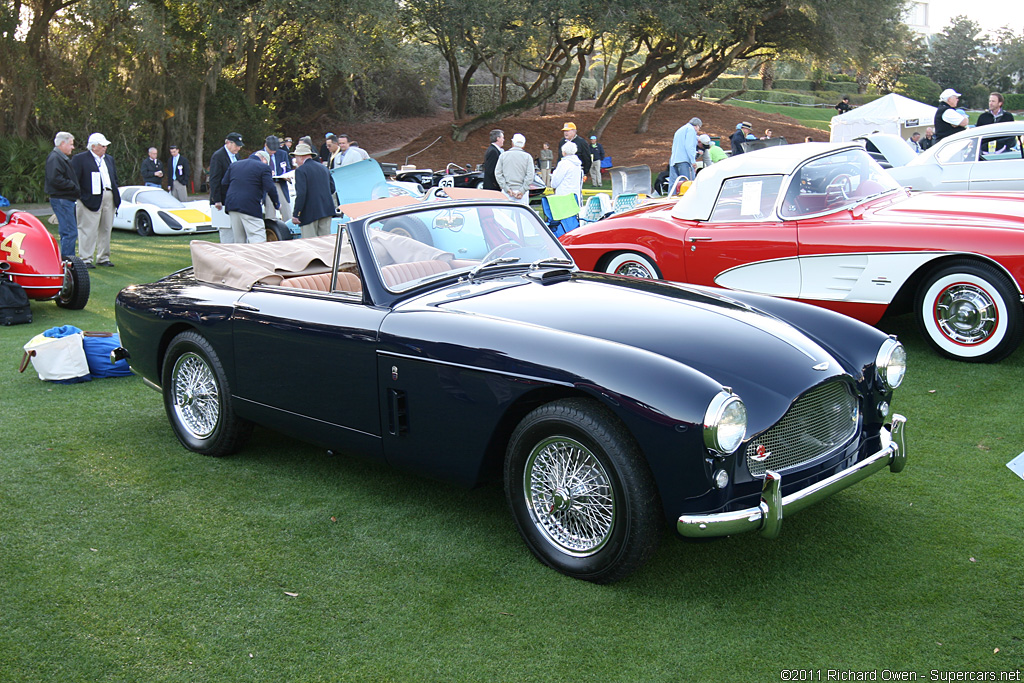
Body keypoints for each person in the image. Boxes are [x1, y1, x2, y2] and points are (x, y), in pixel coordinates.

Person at [71, 132, 120, 267]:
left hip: (108, 196)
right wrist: (82, 196)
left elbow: (114, 177)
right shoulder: (80, 159)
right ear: (93, 146)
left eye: (105, 146)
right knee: (88, 229)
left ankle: (103, 257)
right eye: (102, 145)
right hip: (89, 198)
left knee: (106, 228)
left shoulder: (109, 159)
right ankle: (86, 259)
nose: (105, 148)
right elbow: (74, 180)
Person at [222, 149, 279, 244]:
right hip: (250, 205)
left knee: (239, 239)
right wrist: (276, 203)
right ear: (264, 159)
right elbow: (270, 188)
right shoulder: (264, 167)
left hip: (232, 205)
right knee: (257, 236)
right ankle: (258, 258)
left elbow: (224, 183)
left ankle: (240, 258)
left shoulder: (235, 165)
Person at [44, 131, 80, 259]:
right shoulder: (55, 158)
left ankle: (67, 260)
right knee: (69, 232)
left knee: (68, 231)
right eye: (71, 144)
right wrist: (73, 186)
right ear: (62, 143)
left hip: (65, 199)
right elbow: (55, 179)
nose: (73, 147)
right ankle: (67, 261)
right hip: (62, 199)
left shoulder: (60, 158)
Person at [290, 142, 337, 239]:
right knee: (325, 241)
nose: (296, 161)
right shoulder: (323, 168)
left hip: (309, 212)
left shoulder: (301, 170)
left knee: (311, 243)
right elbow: (332, 188)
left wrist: (296, 214)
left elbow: (301, 193)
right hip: (326, 209)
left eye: (296, 157)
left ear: (301, 157)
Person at [208, 132, 243, 242]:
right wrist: (217, 199)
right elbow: (214, 179)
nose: (239, 148)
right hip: (223, 198)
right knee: (226, 230)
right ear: (228, 143)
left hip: (235, 197)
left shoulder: (236, 156)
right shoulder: (218, 156)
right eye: (236, 145)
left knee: (236, 229)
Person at [495, 133, 534, 205]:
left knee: (506, 214)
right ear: (523, 145)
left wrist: (506, 188)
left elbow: (498, 173)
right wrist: (522, 190)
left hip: (507, 192)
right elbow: (530, 176)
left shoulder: (503, 155)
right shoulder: (528, 157)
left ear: (512, 143)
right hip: (522, 193)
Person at [264, 135, 293, 222]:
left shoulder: (282, 154)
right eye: (271, 150)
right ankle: (271, 231)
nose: (273, 152)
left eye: (274, 150)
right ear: (266, 145)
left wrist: (287, 176)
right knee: (270, 209)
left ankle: (290, 229)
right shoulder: (259, 155)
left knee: (286, 209)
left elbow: (287, 168)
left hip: (280, 182)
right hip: (267, 184)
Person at [669, 117, 701, 189]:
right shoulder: (691, 130)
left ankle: (671, 199)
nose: (698, 130)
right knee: (687, 183)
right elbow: (690, 147)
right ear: (697, 126)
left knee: (673, 185)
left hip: (673, 160)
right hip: (684, 161)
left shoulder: (680, 130)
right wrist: (693, 161)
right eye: (699, 128)